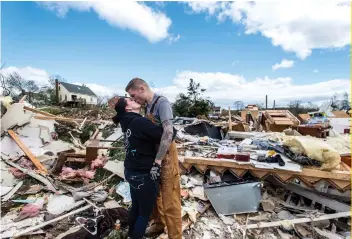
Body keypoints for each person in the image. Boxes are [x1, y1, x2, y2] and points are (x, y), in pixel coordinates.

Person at [125, 78, 182, 239]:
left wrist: (158, 161)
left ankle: (175, 236)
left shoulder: (162, 103)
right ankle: (158, 225)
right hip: (154, 156)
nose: (134, 99)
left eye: (134, 95)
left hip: (167, 157)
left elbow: (169, 132)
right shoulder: (147, 107)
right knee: (155, 195)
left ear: (142, 89)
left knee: (170, 199)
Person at [112, 97, 163, 239]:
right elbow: (163, 135)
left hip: (131, 171)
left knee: (136, 207)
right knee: (144, 214)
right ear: (128, 108)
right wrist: (172, 128)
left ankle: (130, 234)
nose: (135, 100)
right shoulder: (140, 122)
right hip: (143, 174)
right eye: (131, 100)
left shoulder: (126, 122)